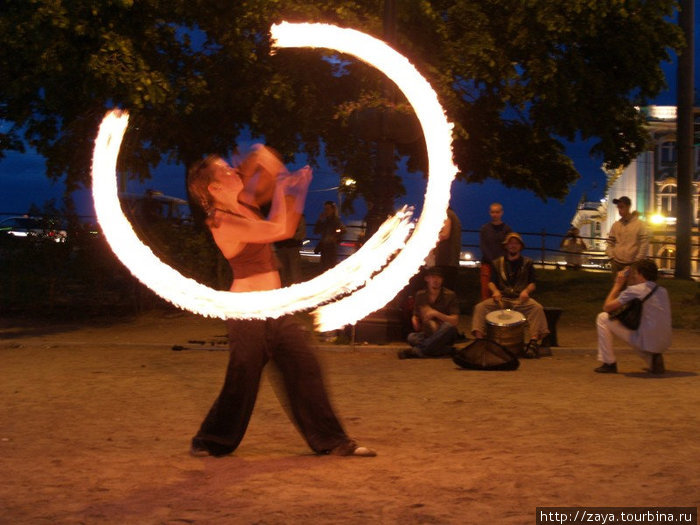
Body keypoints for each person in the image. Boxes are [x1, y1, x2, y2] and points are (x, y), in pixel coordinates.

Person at [186, 146, 375, 458]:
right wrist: (293, 189)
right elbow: (280, 228)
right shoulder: (220, 221)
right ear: (214, 188)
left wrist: (276, 170)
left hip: (275, 306)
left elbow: (263, 156)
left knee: (305, 364)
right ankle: (209, 440)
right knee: (243, 376)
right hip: (247, 310)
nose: (234, 173)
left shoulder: (244, 203)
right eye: (225, 172)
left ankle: (333, 441)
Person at [471, 232, 549, 355]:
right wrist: (495, 291)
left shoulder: (527, 263)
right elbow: (491, 282)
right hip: (501, 298)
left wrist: (526, 291)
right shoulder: (498, 263)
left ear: (520, 246)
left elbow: (532, 283)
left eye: (516, 243)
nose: (513, 246)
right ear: (506, 246)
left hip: (520, 299)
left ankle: (534, 341)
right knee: (480, 308)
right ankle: (479, 341)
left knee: (536, 308)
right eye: (510, 243)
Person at [594, 259, 671, 374]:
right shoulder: (662, 291)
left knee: (603, 317)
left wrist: (617, 284)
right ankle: (653, 359)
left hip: (646, 339)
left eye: (635, 273)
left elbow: (607, 307)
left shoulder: (636, 290)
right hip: (664, 342)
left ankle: (609, 362)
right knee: (642, 331)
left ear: (640, 274)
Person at [398, 266, 459, 359]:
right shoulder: (420, 295)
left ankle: (417, 351)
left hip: (444, 333)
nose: (436, 280)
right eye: (433, 277)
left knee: (448, 327)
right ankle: (446, 350)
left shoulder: (450, 295)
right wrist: (416, 322)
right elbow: (415, 315)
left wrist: (436, 313)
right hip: (428, 332)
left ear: (442, 280)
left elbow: (455, 321)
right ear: (427, 279)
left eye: (439, 278)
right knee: (411, 337)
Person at [605, 196, 649, 275]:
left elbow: (644, 243)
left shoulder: (640, 225)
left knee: (632, 286)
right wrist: (611, 257)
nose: (619, 210)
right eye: (618, 208)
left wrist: (638, 260)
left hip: (633, 263)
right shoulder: (616, 225)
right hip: (616, 263)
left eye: (622, 207)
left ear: (628, 207)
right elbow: (610, 242)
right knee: (618, 285)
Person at [479, 203, 513, 300]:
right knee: (486, 290)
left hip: (502, 265)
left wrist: (501, 261)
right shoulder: (485, 229)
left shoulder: (507, 230)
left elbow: (508, 246)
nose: (495, 214)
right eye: (493, 212)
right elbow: (483, 246)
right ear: (490, 213)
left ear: (501, 213)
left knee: (501, 290)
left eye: (497, 212)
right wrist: (491, 260)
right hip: (487, 264)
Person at [433, 207, 462, 292]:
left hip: (445, 260)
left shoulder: (446, 214)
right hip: (450, 261)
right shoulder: (452, 215)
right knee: (448, 292)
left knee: (444, 292)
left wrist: (429, 238)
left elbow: (445, 234)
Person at [274, 213, 305, 287]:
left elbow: (301, 233)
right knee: (290, 271)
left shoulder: (279, 216)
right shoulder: (297, 216)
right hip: (286, 246)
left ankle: (288, 287)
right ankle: (292, 288)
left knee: (291, 271)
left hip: (287, 246)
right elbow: (301, 232)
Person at [314, 201, 346, 271]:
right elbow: (316, 231)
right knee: (324, 266)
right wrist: (320, 220)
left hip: (331, 247)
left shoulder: (336, 221)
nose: (326, 211)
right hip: (324, 247)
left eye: (328, 209)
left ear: (333, 210)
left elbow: (342, 231)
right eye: (325, 209)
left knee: (330, 266)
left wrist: (335, 237)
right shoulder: (325, 221)